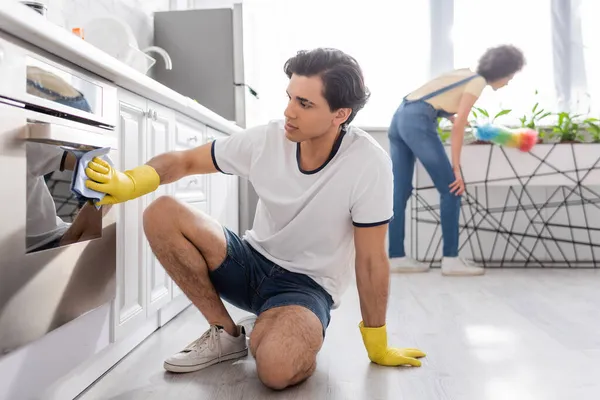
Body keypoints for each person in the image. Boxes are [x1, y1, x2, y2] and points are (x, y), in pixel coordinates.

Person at [84, 48, 426, 391]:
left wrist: (376, 342)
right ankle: (226, 334)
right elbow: (185, 161)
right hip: (248, 263)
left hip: (306, 287)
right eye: (290, 97)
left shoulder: (368, 164)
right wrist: (131, 181)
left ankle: (279, 324)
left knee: (276, 370)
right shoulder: (267, 139)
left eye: (305, 104)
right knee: (162, 212)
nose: (288, 111)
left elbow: (370, 260)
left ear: (340, 114)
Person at [386, 44, 526, 276]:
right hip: (418, 122)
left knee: (400, 191)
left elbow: (431, 98)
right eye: (510, 76)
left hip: (400, 117)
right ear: (502, 71)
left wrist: (449, 115)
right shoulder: (478, 82)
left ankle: (396, 257)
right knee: (452, 188)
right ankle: (451, 259)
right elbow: (459, 125)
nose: (509, 81)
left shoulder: (464, 72)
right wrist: (456, 169)